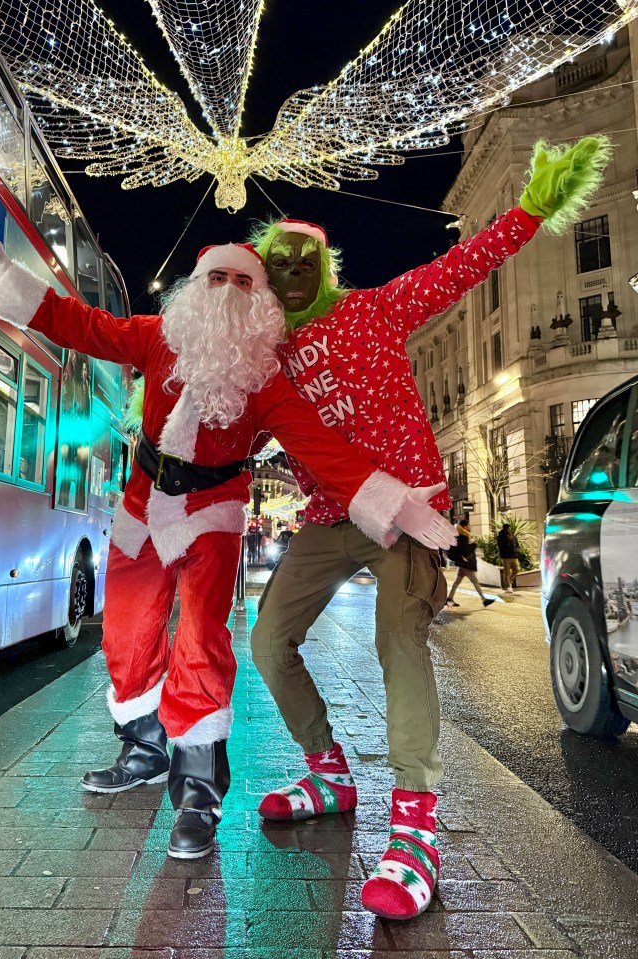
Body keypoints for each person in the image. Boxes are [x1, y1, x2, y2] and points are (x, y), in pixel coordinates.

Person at [0, 236, 455, 861]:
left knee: (199, 638)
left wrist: (394, 499)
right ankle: (141, 748)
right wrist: (16, 283)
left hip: (214, 511)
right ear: (195, 287)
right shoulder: (155, 337)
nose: (228, 291)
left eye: (244, 283)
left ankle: (198, 789)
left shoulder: (266, 379)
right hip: (143, 500)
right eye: (216, 278)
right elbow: (83, 326)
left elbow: (318, 446)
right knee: (128, 637)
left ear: (261, 300)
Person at [246, 135, 611, 920]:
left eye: (307, 255)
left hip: (407, 508)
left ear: (328, 265)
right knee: (268, 638)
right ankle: (327, 770)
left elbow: (461, 268)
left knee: (397, 639)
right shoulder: (268, 356)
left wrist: (527, 211)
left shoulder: (373, 310)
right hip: (328, 515)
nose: (295, 268)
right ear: (265, 274)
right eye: (280, 258)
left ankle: (414, 824)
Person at [445, 520, 496, 608]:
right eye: (469, 525)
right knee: (475, 581)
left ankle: (449, 598)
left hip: (463, 563)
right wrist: (474, 545)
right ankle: (484, 600)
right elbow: (465, 551)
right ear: (464, 527)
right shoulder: (463, 538)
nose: (470, 527)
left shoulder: (460, 537)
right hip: (466, 564)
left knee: (457, 582)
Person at [497, 522, 520, 592]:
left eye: (509, 529)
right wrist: (507, 540)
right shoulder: (500, 537)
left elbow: (517, 545)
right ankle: (508, 587)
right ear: (504, 529)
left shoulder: (513, 537)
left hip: (514, 556)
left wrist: (517, 551)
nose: (509, 530)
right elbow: (501, 546)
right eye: (507, 529)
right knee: (507, 572)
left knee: (517, 570)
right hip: (506, 557)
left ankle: (509, 581)